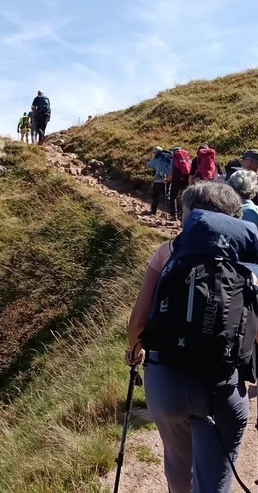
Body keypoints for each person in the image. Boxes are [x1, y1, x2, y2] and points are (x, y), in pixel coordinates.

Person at [126, 182, 258, 493]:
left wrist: (135, 352)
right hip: (223, 385)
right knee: (214, 479)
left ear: (193, 218)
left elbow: (137, 322)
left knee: (176, 458)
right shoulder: (250, 263)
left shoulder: (168, 253)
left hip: (166, 380)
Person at [145, 147, 172, 215]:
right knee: (166, 195)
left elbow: (148, 166)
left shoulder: (156, 158)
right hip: (168, 179)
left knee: (155, 195)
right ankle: (171, 213)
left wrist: (146, 161)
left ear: (156, 152)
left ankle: (153, 211)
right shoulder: (169, 157)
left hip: (158, 180)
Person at [168, 147, 192, 221]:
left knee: (173, 197)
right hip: (186, 181)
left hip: (176, 181)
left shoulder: (174, 159)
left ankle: (173, 215)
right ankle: (182, 216)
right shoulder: (187, 159)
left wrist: (167, 180)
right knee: (184, 198)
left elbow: (171, 173)